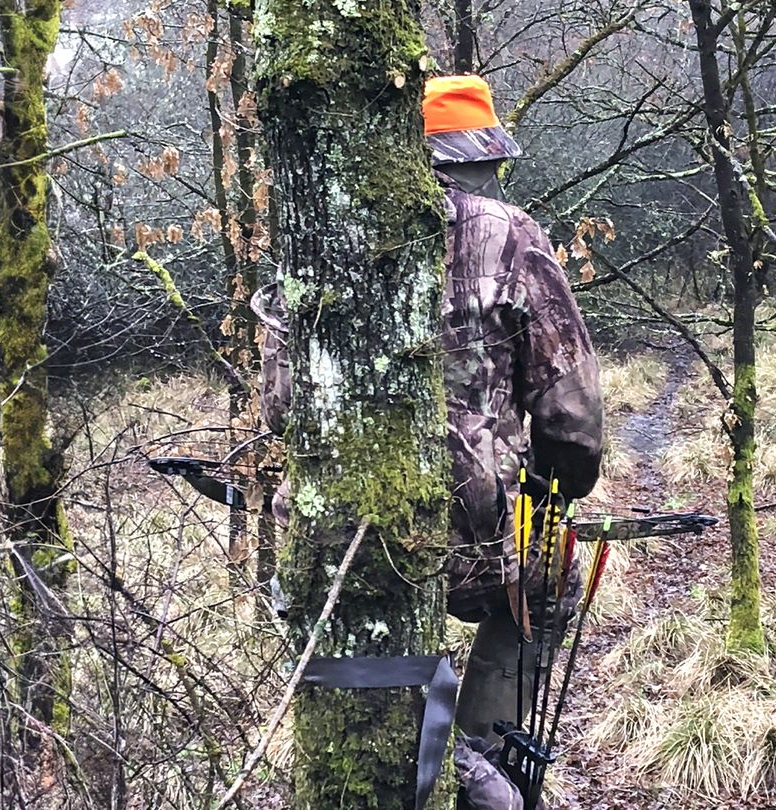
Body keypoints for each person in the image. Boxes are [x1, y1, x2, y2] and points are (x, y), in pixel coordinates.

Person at [257, 72, 603, 779]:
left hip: (329, 546)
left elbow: (279, 408)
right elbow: (572, 413)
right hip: (475, 545)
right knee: (551, 582)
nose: (489, 179)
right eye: (484, 166)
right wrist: (561, 489)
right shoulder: (509, 235)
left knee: (354, 643)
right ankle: (478, 760)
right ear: (468, 161)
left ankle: (410, 759)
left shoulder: (318, 237)